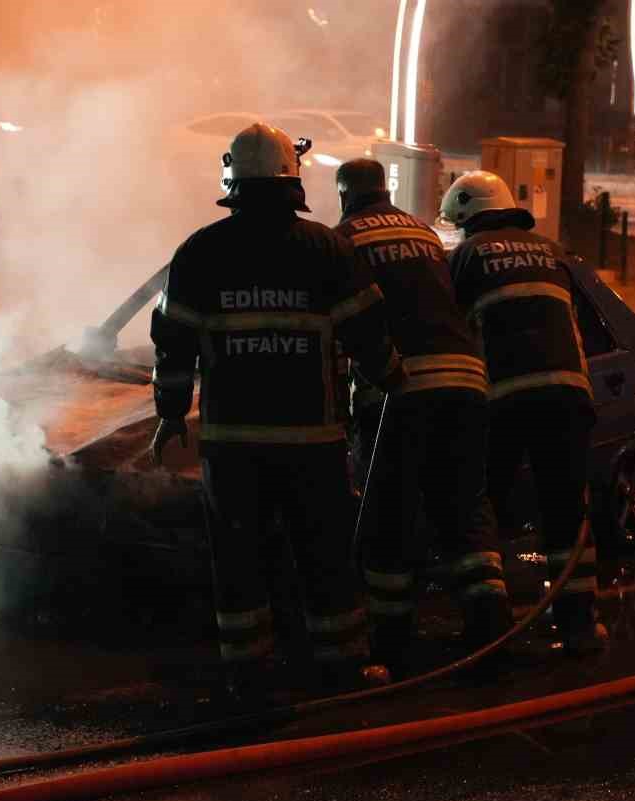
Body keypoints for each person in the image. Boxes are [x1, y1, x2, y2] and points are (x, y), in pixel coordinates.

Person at [150, 123, 403, 695]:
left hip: (231, 446)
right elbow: (368, 330)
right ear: (293, 178)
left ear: (232, 179)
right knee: (324, 554)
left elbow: (173, 344)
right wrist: (393, 378)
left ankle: (248, 672)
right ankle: (340, 667)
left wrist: (170, 411)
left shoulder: (201, 251)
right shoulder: (326, 248)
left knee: (239, 560)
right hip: (311, 443)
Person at [333, 158, 510, 675]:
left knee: (390, 512)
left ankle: (390, 648)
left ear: (345, 195)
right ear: (384, 189)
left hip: (401, 387)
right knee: (464, 505)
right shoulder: (425, 232)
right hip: (467, 382)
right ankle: (491, 627)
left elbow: (343, 323)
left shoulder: (342, 239)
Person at [441, 171, 607, 654]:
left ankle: (491, 625)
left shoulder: (468, 256)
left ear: (469, 217)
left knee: (484, 506)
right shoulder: (551, 250)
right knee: (566, 511)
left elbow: (451, 327)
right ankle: (578, 626)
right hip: (570, 397)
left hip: (505, 399)